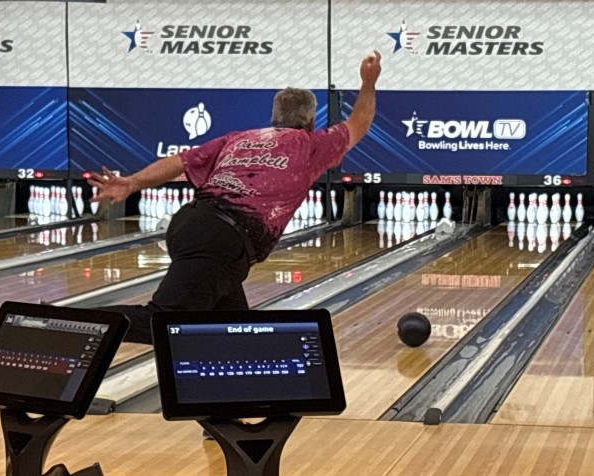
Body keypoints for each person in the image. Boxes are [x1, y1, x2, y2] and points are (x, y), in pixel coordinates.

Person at [88, 51, 382, 344]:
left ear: (274, 115)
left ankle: (233, 375)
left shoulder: (239, 138)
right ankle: (70, 325)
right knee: (162, 322)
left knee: (235, 334)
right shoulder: (311, 144)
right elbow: (360, 121)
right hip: (222, 241)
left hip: (193, 225)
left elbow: (180, 161)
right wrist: (368, 82)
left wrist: (132, 182)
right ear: (311, 120)